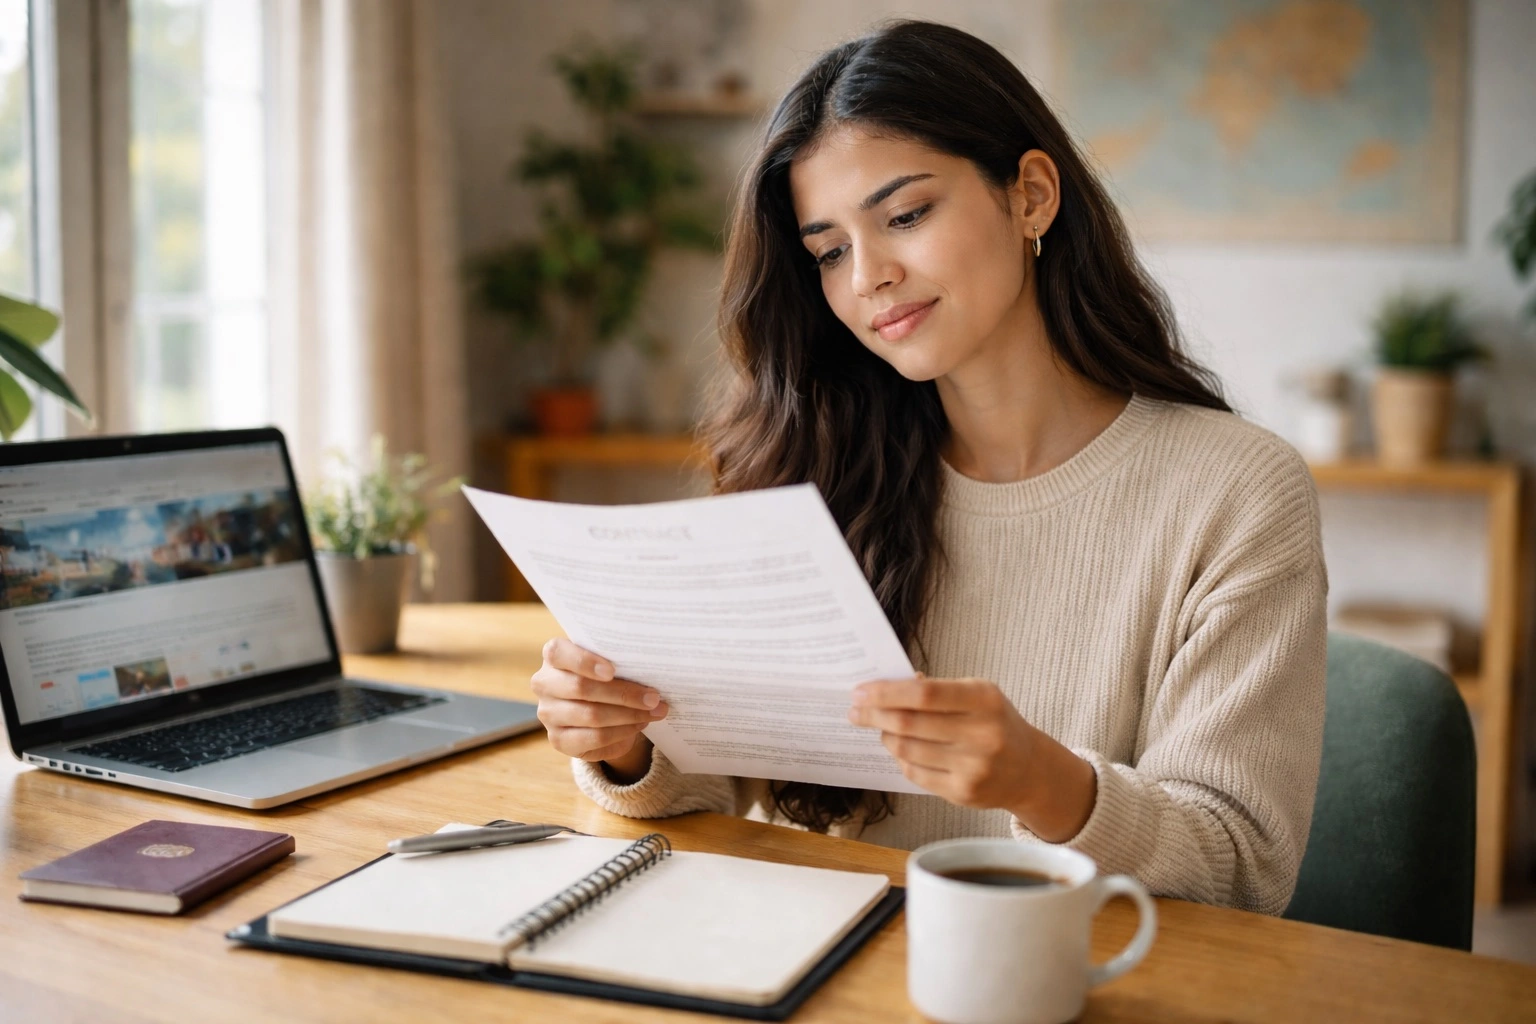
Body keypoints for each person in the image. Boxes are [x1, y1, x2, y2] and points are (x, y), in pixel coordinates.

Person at [529, 19, 1327, 915]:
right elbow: (717, 796)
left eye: (906, 216)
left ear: (1030, 196)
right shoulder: (817, 470)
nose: (868, 276)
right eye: (829, 250)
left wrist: (1044, 782)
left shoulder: (1237, 492)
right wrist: (624, 744)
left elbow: (1241, 870)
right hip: (822, 963)